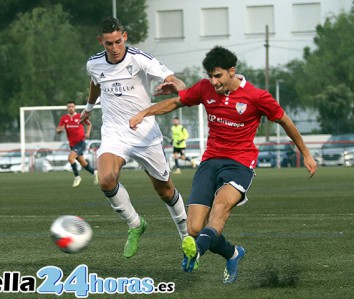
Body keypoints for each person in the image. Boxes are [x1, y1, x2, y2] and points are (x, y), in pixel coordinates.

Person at [130, 46, 317, 283]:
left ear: (232, 71)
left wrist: (306, 154)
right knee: (195, 228)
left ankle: (197, 250)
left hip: (239, 164)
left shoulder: (258, 97)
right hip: (210, 161)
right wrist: (144, 113)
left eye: (217, 75)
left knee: (220, 208)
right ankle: (233, 253)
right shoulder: (205, 88)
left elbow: (285, 122)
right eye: (210, 75)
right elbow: (176, 102)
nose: (213, 81)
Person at [80, 17, 189, 258]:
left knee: (165, 191)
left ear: (125, 37)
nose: (115, 48)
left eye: (118, 42)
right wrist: (88, 108)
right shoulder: (94, 64)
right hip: (114, 132)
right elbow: (95, 82)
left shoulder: (140, 59)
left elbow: (173, 78)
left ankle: (186, 237)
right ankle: (135, 224)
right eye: (109, 44)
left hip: (145, 133)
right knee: (106, 180)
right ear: (101, 42)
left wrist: (180, 87)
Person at [56, 101, 99, 187]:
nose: (71, 108)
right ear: (67, 108)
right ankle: (95, 172)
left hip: (80, 142)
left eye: (72, 106)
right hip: (72, 144)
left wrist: (87, 133)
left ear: (74, 107)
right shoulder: (64, 118)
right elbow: (58, 129)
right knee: (83, 163)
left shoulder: (80, 116)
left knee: (70, 158)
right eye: (69, 107)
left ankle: (77, 177)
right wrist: (59, 131)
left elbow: (89, 124)